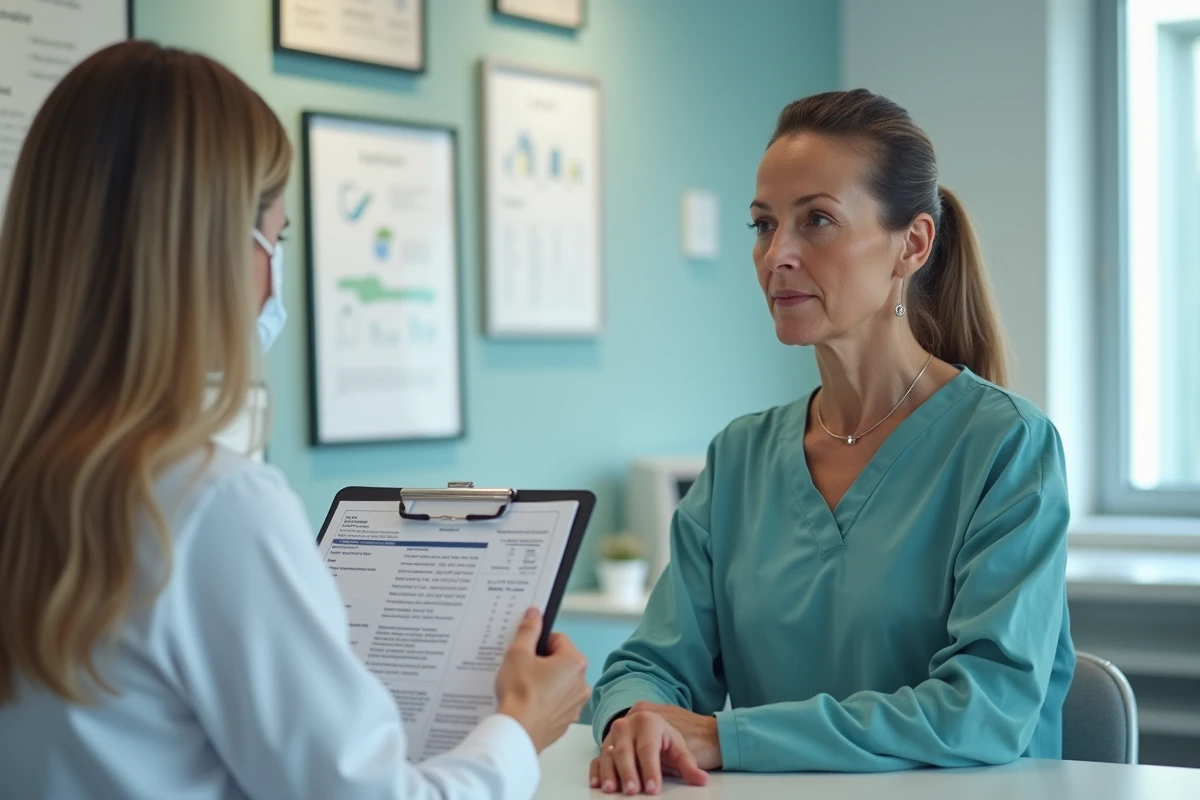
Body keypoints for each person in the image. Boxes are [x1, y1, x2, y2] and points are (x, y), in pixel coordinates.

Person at [0, 41, 589, 800]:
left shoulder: (26, 476)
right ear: (211, 250)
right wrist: (519, 726)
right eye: (275, 240)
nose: (275, 279)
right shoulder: (209, 502)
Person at [586, 89, 1075, 795]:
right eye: (763, 225)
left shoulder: (1007, 448)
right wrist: (635, 719)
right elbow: (652, 664)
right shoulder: (740, 458)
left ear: (912, 245)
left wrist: (728, 737)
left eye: (817, 220)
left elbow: (984, 709)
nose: (776, 255)